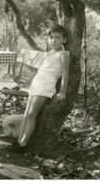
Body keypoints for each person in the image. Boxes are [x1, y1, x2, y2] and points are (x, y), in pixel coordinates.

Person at [7, 24, 70, 153]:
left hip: (46, 86)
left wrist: (62, 91)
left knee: (31, 114)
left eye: (57, 37)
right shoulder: (49, 53)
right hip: (36, 83)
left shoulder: (64, 54)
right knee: (26, 113)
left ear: (64, 40)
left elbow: (65, 74)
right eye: (51, 37)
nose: (53, 40)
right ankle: (18, 140)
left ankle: (24, 143)